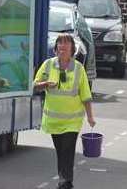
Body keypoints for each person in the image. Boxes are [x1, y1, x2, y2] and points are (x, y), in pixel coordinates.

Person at [34, 33, 95, 189]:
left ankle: (65, 182)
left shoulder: (78, 68)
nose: (62, 46)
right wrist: (45, 83)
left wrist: (90, 117)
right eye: (60, 43)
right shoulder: (48, 65)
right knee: (60, 151)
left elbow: (86, 95)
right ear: (56, 48)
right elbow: (34, 85)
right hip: (54, 120)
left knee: (67, 149)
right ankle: (64, 180)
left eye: (66, 44)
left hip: (72, 121)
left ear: (72, 49)